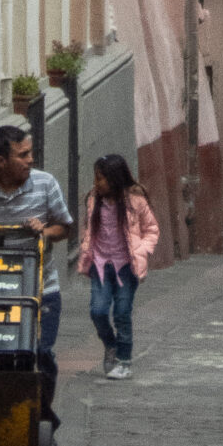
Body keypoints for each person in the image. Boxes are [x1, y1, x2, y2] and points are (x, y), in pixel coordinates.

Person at [0, 123, 74, 427]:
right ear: (0, 162)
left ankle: (43, 417)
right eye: (23, 155)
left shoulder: (45, 185)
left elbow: (64, 226)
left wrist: (44, 232)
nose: (31, 160)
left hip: (40, 289)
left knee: (41, 352)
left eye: (30, 153)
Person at [75, 153, 160, 380]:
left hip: (126, 267)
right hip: (100, 265)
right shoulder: (94, 200)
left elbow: (152, 230)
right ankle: (110, 345)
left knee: (122, 313)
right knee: (98, 311)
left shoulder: (135, 202)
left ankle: (124, 361)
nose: (96, 183)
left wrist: (141, 251)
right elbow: (89, 230)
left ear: (114, 179)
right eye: (96, 178)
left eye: (101, 178)